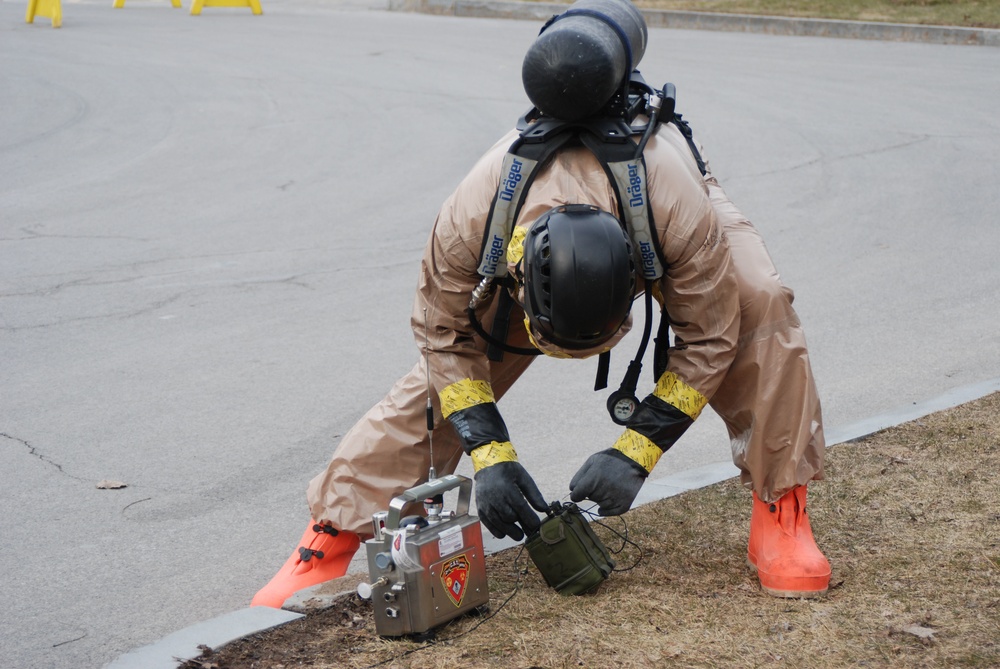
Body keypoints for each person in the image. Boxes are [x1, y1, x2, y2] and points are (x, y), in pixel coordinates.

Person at [251, 0, 829, 608]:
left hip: (656, 216)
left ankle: (781, 508)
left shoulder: (678, 212)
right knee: (442, 378)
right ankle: (335, 532)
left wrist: (638, 449)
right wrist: (491, 455)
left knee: (759, 307)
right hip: (529, 239)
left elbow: (709, 338)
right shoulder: (474, 219)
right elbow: (444, 337)